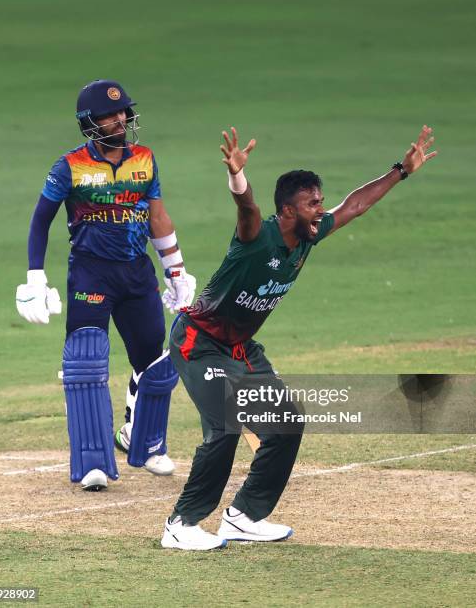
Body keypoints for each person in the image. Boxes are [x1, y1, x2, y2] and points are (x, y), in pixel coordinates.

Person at [161, 125, 437, 550]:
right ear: (287, 211)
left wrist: (402, 170)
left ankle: (244, 516)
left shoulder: (308, 235)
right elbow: (247, 205)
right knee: (225, 426)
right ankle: (181, 524)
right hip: (198, 342)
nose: (321, 211)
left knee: (286, 422)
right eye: (312, 204)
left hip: (239, 348)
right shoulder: (258, 236)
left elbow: (356, 205)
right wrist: (237, 175)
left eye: (320, 202)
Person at [16, 80, 196, 491]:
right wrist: (34, 278)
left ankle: (145, 441)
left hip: (136, 273)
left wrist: (177, 270)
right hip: (90, 273)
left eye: (122, 113)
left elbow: (158, 218)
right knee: (85, 362)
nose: (119, 120)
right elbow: (40, 220)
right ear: (89, 123)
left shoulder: (146, 160)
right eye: (109, 115)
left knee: (155, 361)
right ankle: (92, 461)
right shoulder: (70, 166)